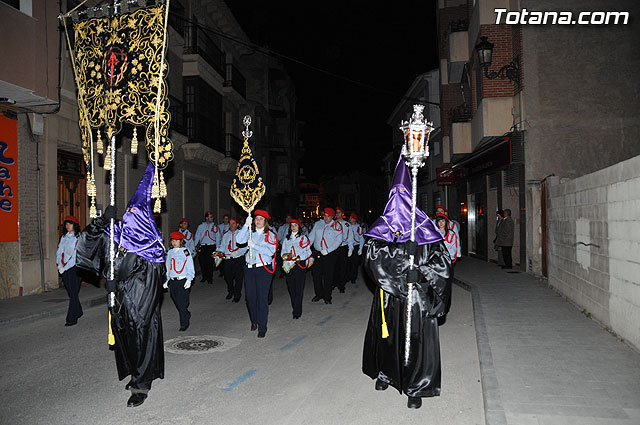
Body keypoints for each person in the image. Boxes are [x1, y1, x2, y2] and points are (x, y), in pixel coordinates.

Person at [363, 154, 452, 409]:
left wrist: (421, 274)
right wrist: (402, 261)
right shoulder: (382, 228)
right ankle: (386, 374)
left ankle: (416, 386)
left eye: (405, 193)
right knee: (388, 337)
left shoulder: (425, 230)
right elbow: (371, 257)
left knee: (415, 339)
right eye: (396, 193)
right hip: (390, 296)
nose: (399, 198)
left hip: (417, 297)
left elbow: (442, 264)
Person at [76, 163, 165, 408]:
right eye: (128, 212)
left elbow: (150, 282)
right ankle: (133, 370)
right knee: (124, 335)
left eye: (136, 213)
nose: (129, 216)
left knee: (140, 333)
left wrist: (121, 279)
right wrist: (103, 219)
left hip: (138, 300)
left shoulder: (152, 250)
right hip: (120, 296)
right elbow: (89, 238)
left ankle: (141, 385)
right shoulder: (117, 232)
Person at [235, 209, 277, 338]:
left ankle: (262, 327)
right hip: (249, 268)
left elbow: (270, 251)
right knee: (250, 297)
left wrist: (255, 246)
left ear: (265, 222)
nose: (257, 221)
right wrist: (245, 226)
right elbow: (239, 240)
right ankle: (254, 320)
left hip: (263, 269)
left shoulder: (270, 235)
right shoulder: (250, 233)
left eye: (261, 219)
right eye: (256, 218)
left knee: (262, 298)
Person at [308, 207, 343, 304]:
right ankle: (319, 294)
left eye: (328, 216)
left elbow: (338, 240)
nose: (326, 218)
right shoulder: (318, 224)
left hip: (329, 254)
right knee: (316, 274)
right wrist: (305, 247)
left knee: (328, 275)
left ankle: (327, 296)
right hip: (317, 253)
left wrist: (328, 250)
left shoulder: (337, 226)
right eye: (325, 216)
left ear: (332, 217)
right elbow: (311, 237)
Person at [281, 218, 312, 319]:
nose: (293, 227)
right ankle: (295, 306)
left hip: (299, 265)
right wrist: (287, 256)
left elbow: (309, 251)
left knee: (299, 288)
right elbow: (282, 252)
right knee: (291, 288)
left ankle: (297, 311)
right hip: (289, 265)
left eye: (296, 225)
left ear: (299, 227)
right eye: (292, 225)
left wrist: (299, 258)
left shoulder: (303, 238)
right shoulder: (286, 239)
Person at [164, 231, 195, 331]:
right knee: (175, 299)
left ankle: (184, 324)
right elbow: (168, 266)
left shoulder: (185, 251)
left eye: (176, 240)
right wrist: (167, 280)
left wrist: (189, 279)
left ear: (181, 241)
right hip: (173, 281)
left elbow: (190, 266)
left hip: (183, 280)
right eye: (173, 240)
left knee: (182, 302)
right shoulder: (170, 252)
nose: (174, 242)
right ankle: (186, 313)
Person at [57, 215, 83, 327]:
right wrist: (59, 264)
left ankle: (71, 318)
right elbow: (59, 251)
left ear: (75, 225)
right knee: (72, 292)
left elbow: (76, 255)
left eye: (70, 224)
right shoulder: (64, 237)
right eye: (66, 224)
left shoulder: (79, 237)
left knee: (73, 294)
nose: (68, 226)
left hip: (75, 269)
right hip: (64, 268)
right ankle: (79, 311)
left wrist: (65, 267)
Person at [219, 217, 247, 302]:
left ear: (237, 225)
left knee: (238, 278)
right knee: (228, 277)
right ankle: (230, 291)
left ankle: (237, 294)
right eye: (230, 223)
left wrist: (239, 253)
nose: (231, 225)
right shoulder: (226, 235)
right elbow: (223, 246)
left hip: (238, 259)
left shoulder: (241, 234)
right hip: (228, 259)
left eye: (233, 223)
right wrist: (219, 252)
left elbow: (245, 247)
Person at [194, 211, 220, 284]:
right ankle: (204, 276)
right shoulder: (201, 226)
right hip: (203, 246)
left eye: (212, 217)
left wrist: (217, 248)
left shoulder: (215, 226)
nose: (212, 218)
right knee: (202, 262)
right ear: (206, 218)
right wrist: (194, 246)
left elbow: (218, 237)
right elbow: (197, 236)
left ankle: (210, 278)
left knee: (210, 263)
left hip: (211, 246)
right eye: (210, 217)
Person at [332, 206, 352, 293]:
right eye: (336, 212)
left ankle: (342, 285)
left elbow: (350, 237)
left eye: (339, 212)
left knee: (343, 267)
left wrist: (350, 249)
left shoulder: (347, 225)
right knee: (334, 266)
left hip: (343, 247)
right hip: (333, 247)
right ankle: (334, 283)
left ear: (343, 214)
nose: (337, 214)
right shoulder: (332, 224)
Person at [346, 212, 364, 284]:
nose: (349, 219)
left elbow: (361, 238)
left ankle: (353, 277)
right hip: (348, 246)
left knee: (354, 263)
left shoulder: (358, 227)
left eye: (351, 218)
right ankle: (348, 276)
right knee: (348, 263)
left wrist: (360, 248)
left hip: (355, 246)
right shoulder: (347, 226)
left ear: (354, 219)